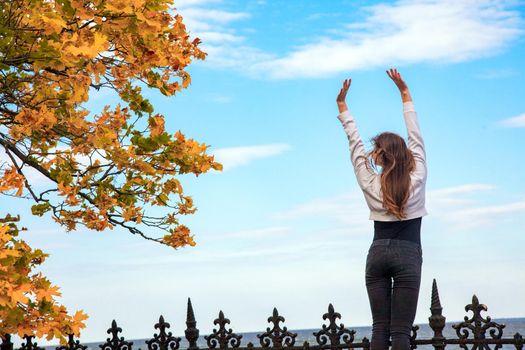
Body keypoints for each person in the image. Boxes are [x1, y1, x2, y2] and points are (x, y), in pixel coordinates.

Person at [335, 68, 428, 350]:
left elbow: (355, 145)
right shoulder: (418, 177)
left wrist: (343, 107)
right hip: (408, 253)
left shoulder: (370, 181)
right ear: (406, 155)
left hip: (377, 254)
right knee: (400, 332)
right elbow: (416, 137)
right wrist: (404, 94)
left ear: (380, 156)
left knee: (379, 330)